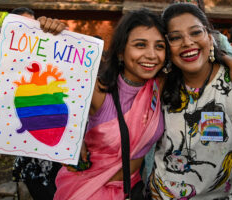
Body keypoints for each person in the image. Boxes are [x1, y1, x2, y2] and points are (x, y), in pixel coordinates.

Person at [150, 3, 232, 200]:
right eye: (175, 37)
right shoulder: (158, 86)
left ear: (209, 36)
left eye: (195, 32)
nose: (187, 42)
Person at [54, 9, 166, 200]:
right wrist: (43, 30)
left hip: (132, 189)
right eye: (140, 45)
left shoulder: (159, 85)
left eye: (160, 46)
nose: (151, 55)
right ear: (121, 51)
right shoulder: (97, 89)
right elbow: (45, 88)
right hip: (87, 191)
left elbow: (199, 61)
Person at [10, 8, 66, 200]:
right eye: (20, 25)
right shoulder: (6, 63)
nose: (26, 30)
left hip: (59, 156)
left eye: (32, 24)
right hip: (30, 161)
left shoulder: (48, 53)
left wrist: (55, 34)